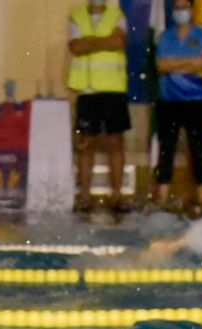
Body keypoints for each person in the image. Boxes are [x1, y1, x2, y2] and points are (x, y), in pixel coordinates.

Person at [66, 1, 130, 215]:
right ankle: (85, 197)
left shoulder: (117, 15)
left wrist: (90, 42)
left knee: (116, 142)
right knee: (86, 144)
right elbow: (76, 47)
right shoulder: (77, 16)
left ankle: (118, 195)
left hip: (113, 89)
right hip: (87, 91)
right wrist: (105, 41)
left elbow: (118, 41)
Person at [151, 0, 202, 214]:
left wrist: (174, 64)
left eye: (184, 7)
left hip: (197, 101)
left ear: (192, 10)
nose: (180, 11)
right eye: (177, 8)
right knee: (166, 150)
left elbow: (201, 64)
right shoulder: (165, 36)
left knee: (198, 150)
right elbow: (161, 66)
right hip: (169, 101)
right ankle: (162, 199)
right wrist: (188, 64)